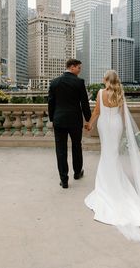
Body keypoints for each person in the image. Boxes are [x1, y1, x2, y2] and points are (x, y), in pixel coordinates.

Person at [85, 70, 140, 250]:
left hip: (104, 125)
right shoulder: (120, 93)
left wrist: (90, 124)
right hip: (117, 124)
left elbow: (96, 111)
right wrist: (124, 130)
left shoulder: (101, 93)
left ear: (105, 79)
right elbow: (124, 114)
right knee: (113, 155)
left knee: (107, 155)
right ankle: (114, 184)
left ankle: (106, 187)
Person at [48, 59, 91, 189]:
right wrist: (88, 119)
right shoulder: (79, 82)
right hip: (75, 120)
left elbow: (51, 103)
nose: (79, 70)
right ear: (71, 67)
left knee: (60, 150)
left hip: (59, 120)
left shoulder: (54, 82)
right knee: (76, 146)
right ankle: (77, 173)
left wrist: (52, 118)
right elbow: (84, 103)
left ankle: (64, 180)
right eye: (78, 68)